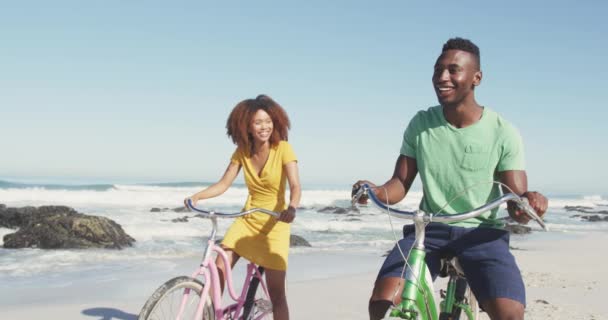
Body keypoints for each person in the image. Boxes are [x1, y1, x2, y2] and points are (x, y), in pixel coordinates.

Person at [354, 37, 548, 320]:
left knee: (510, 314)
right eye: (438, 70)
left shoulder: (503, 131)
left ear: (476, 78)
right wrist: (373, 190)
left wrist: (530, 201)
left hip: (482, 235)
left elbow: (516, 205)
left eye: (453, 70)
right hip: (429, 230)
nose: (442, 77)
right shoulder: (421, 124)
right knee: (382, 303)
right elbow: (398, 185)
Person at [186, 94, 301, 320]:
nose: (264, 126)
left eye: (268, 121)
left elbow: (296, 186)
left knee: (277, 294)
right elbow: (223, 183)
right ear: (246, 126)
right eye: (258, 122)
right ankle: (208, 316)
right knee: (218, 268)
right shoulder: (242, 152)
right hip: (248, 219)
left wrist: (292, 208)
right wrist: (198, 196)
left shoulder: (284, 149)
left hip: (276, 223)